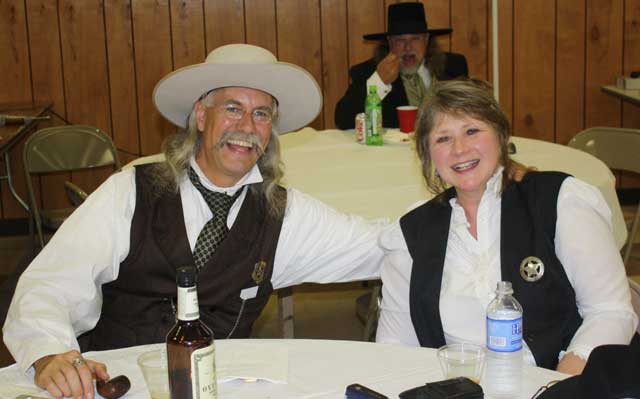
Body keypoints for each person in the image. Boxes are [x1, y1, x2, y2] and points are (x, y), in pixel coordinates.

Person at [3, 44, 385, 399]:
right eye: (233, 108)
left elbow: (378, 245)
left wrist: (444, 211)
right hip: (118, 386)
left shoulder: (284, 214)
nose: (248, 127)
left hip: (222, 388)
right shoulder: (132, 192)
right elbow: (53, 281)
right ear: (201, 116)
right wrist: (49, 353)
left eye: (261, 113)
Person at [375, 79, 639, 375]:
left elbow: (611, 311)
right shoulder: (412, 234)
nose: (459, 149)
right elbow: (395, 347)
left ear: (500, 136)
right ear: (427, 155)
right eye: (442, 139)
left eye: (472, 131)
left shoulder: (559, 201)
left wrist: (562, 385)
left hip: (564, 385)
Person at [334, 2, 468, 129]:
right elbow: (343, 120)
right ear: (390, 42)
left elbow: (470, 113)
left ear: (426, 40)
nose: (408, 47)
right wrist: (379, 81)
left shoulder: (454, 66)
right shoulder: (367, 71)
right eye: (400, 40)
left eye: (415, 39)